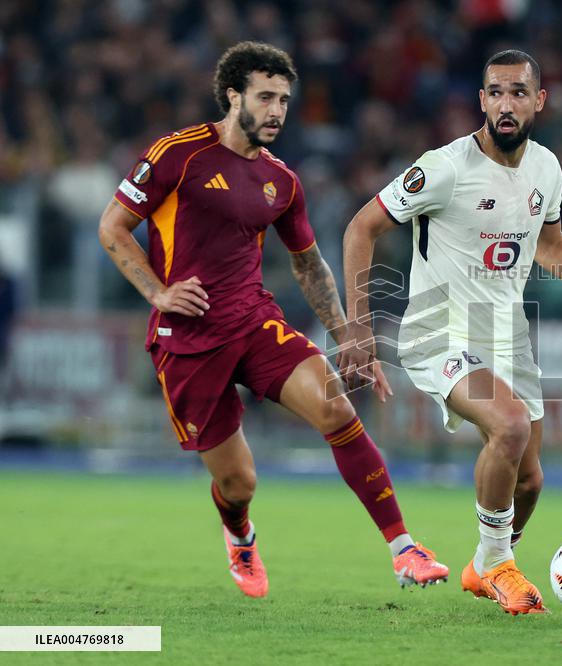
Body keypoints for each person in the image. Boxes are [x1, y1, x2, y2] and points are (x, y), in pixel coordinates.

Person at [97, 41, 447, 598]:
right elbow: (113, 228)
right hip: (187, 341)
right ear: (233, 96)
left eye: (285, 99)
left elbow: (308, 265)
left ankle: (404, 548)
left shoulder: (282, 181)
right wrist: (158, 293)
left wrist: (348, 338)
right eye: (266, 97)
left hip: (254, 321)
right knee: (239, 483)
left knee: (335, 406)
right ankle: (240, 535)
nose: (278, 110)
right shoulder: (176, 154)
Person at [339, 49, 562, 614]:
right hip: (438, 331)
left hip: (507, 335)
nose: (506, 104)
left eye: (518, 93)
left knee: (529, 480)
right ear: (482, 101)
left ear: (539, 100)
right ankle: (498, 564)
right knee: (507, 426)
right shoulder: (445, 167)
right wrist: (357, 326)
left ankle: (484, 564)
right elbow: (362, 227)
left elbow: (550, 244)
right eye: (496, 93)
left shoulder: (546, 168)